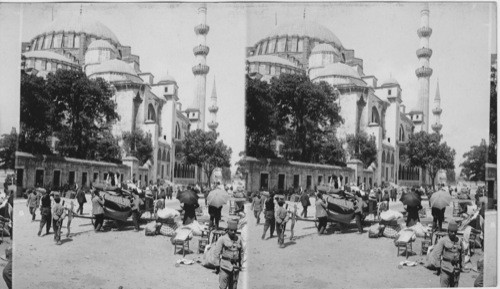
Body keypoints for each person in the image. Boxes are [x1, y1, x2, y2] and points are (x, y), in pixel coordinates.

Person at [432, 221, 463, 287]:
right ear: (448, 231)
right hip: (445, 269)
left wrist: (462, 266)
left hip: (456, 270)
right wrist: (438, 267)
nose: (453, 233)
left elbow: (462, 254)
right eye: (451, 231)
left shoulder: (459, 241)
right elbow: (437, 254)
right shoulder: (443, 240)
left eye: (455, 232)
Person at [213, 220, 243, 289]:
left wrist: (241, 263)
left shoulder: (238, 239)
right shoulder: (222, 239)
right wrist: (217, 265)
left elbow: (242, 252)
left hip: (235, 268)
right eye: (231, 230)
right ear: (228, 230)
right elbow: (216, 253)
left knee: (234, 287)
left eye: (235, 230)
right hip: (224, 267)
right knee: (223, 287)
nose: (233, 232)